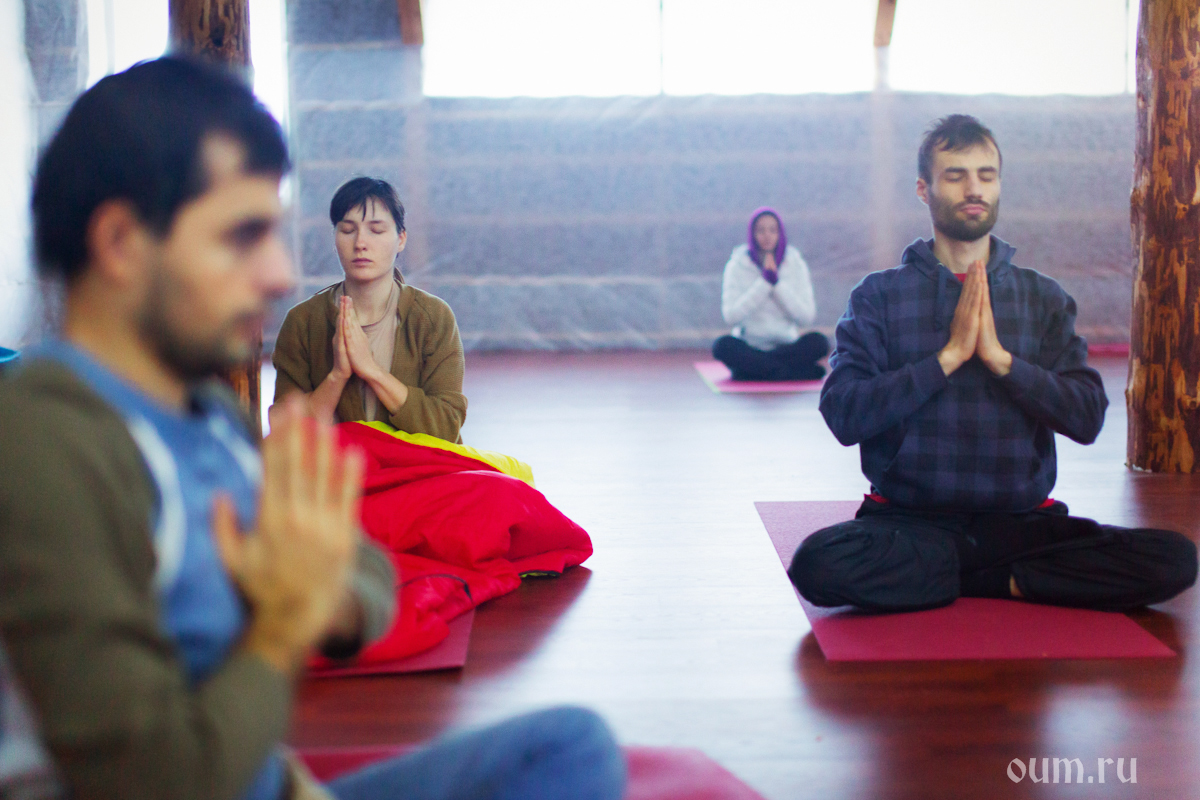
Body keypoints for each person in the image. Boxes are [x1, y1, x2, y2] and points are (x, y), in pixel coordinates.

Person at [0, 57, 625, 800]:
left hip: (281, 780)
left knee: (572, 745)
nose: (278, 273)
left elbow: (368, 577)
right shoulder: (41, 444)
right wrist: (280, 622)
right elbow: (163, 778)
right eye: (243, 235)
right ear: (122, 242)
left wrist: (308, 584)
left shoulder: (208, 417)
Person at [789, 114, 1197, 613]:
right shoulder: (878, 296)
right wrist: (947, 358)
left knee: (1174, 559)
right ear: (923, 189)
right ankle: (1006, 581)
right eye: (955, 175)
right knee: (816, 564)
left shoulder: (1042, 297)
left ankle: (952, 578)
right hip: (908, 522)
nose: (973, 189)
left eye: (986, 175)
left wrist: (1002, 362)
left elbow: (1088, 417)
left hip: (1021, 526)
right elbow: (844, 414)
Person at [271, 178, 466, 442]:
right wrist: (337, 375)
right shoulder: (302, 322)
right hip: (337, 467)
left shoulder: (433, 317)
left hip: (416, 465)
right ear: (335, 239)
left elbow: (446, 426)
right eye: (347, 230)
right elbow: (285, 430)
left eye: (376, 230)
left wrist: (372, 370)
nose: (360, 243)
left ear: (401, 239)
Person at [712, 207, 829, 381]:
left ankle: (753, 372)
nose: (767, 236)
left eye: (773, 230)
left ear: (780, 234)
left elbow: (806, 317)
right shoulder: (737, 265)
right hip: (751, 346)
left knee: (819, 343)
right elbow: (731, 317)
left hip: (787, 345)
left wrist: (777, 284)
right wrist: (764, 283)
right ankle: (791, 373)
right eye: (761, 230)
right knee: (722, 346)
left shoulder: (795, 263)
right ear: (752, 234)